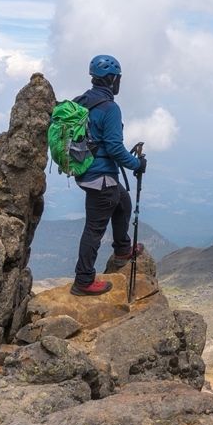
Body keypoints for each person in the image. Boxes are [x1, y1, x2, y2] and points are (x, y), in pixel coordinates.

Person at [70, 54, 146, 296]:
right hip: (101, 177)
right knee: (94, 229)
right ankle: (83, 280)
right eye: (118, 78)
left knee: (122, 201)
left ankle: (123, 248)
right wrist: (137, 164)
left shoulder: (82, 101)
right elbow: (114, 148)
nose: (119, 82)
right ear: (112, 79)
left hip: (86, 172)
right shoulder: (110, 108)